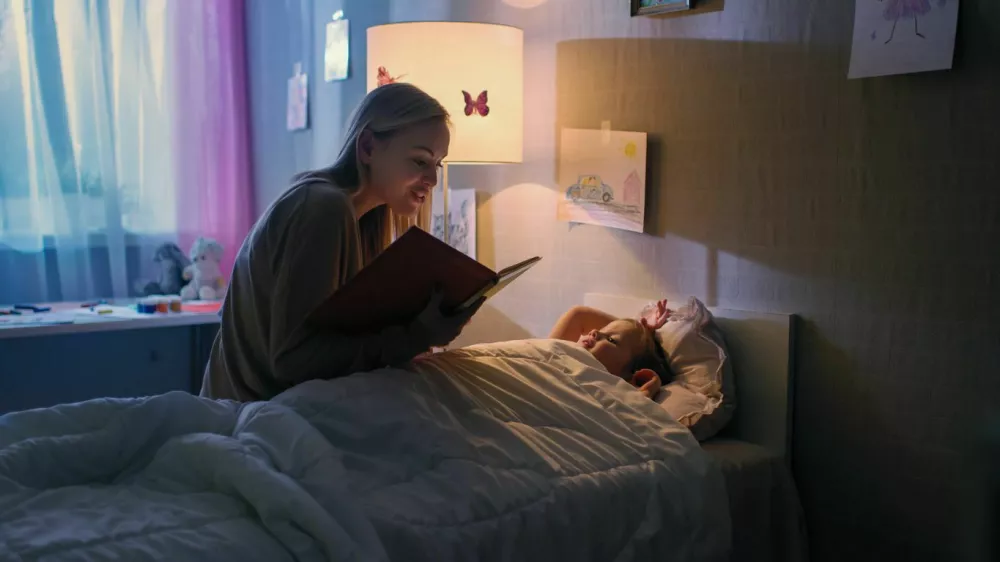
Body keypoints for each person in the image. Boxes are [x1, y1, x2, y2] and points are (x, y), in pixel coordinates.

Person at [202, 83, 482, 402]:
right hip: (249, 416)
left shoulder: (359, 219)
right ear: (367, 147)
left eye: (438, 164)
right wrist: (417, 336)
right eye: (420, 161)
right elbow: (293, 361)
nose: (432, 180)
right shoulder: (321, 208)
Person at [548, 300, 673, 399]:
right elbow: (579, 314)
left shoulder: (611, 397)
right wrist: (642, 331)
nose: (594, 331)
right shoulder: (553, 356)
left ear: (631, 377)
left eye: (611, 339)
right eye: (602, 330)